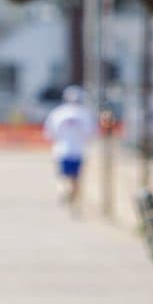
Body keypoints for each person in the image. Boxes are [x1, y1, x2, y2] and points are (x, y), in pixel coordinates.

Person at [42, 85, 99, 213]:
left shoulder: (57, 113)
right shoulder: (85, 113)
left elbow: (49, 133)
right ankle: (73, 200)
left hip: (61, 150)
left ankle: (64, 191)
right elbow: (92, 134)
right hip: (78, 151)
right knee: (76, 178)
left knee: (62, 176)